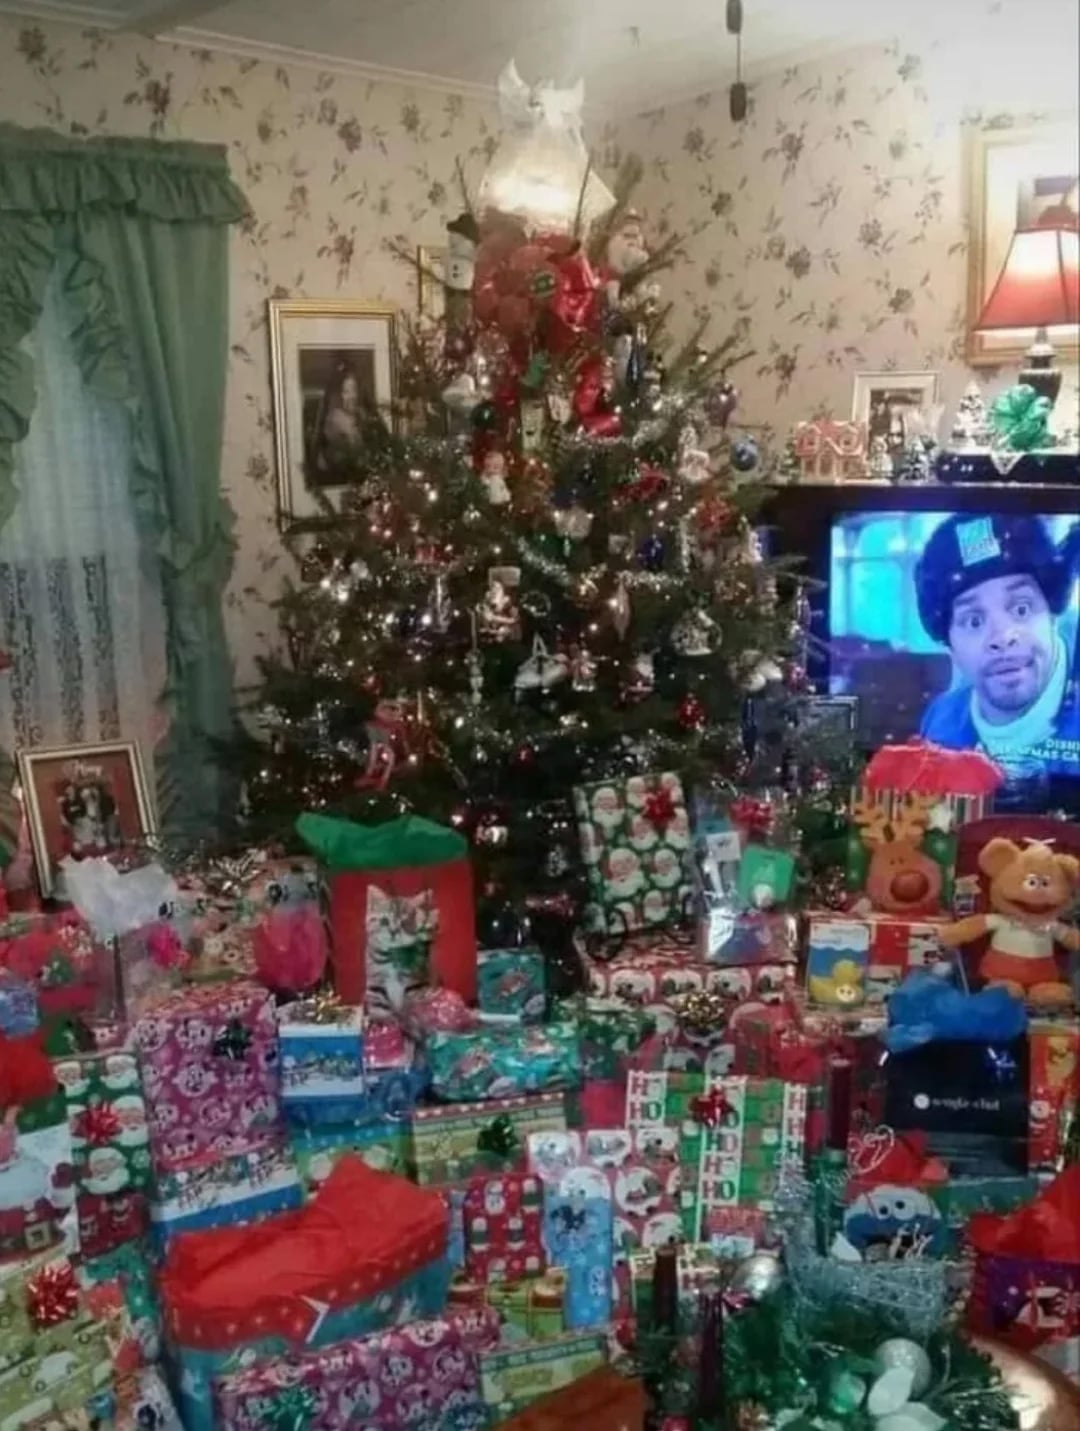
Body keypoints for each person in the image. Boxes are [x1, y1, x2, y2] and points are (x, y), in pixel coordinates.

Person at [914, 513, 1080, 774]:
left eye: (1022, 609)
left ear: (1052, 615)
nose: (1003, 638)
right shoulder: (941, 721)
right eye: (974, 622)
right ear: (950, 648)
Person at [308, 361, 370, 485]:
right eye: (345, 391)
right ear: (338, 395)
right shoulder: (334, 420)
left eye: (353, 390)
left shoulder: (364, 417)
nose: (350, 396)